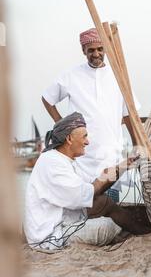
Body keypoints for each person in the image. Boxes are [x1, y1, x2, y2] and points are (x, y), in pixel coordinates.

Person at [24, 112, 151, 250]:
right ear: (69, 139)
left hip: (64, 222)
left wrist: (123, 166)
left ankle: (141, 229)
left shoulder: (63, 160)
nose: (87, 142)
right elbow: (92, 189)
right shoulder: (52, 163)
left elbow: (94, 183)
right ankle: (143, 232)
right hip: (52, 236)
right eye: (84, 136)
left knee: (104, 202)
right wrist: (121, 168)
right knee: (107, 225)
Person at [41, 27, 139, 200]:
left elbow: (128, 114)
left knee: (109, 204)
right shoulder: (71, 75)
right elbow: (47, 98)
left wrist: (136, 144)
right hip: (80, 159)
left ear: (106, 50)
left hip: (110, 155)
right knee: (80, 209)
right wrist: (61, 125)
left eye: (100, 49)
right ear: (83, 50)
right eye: (91, 50)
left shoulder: (118, 76)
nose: (96, 54)